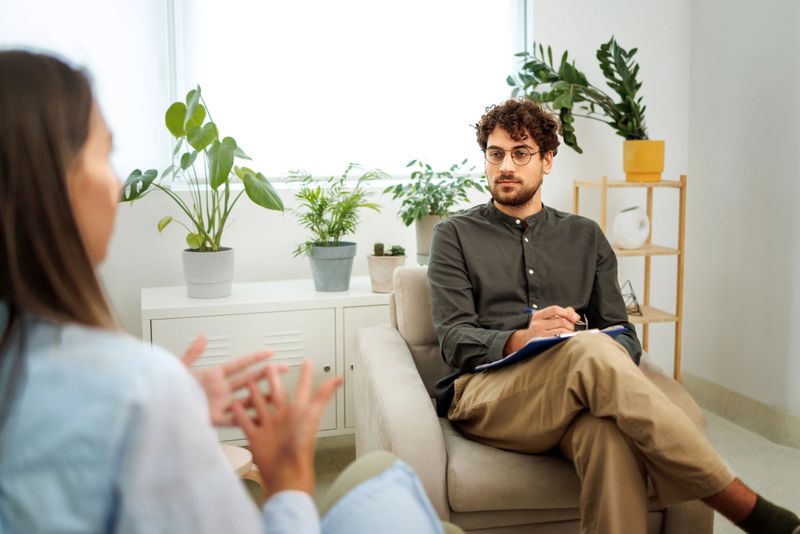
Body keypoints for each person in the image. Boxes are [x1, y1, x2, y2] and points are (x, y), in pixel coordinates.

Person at [0, 50, 456, 534]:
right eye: (105, 154)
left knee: (376, 473)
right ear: (55, 184)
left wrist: (167, 403)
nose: (116, 183)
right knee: (398, 490)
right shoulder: (134, 387)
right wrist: (290, 481)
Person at [427, 98, 800, 534]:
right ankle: (740, 503)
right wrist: (521, 339)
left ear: (547, 161)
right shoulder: (453, 235)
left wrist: (582, 341)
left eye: (521, 152)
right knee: (591, 350)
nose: (505, 165)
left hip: (577, 392)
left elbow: (622, 333)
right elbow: (454, 339)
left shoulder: (586, 236)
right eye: (495, 154)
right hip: (490, 395)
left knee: (608, 438)